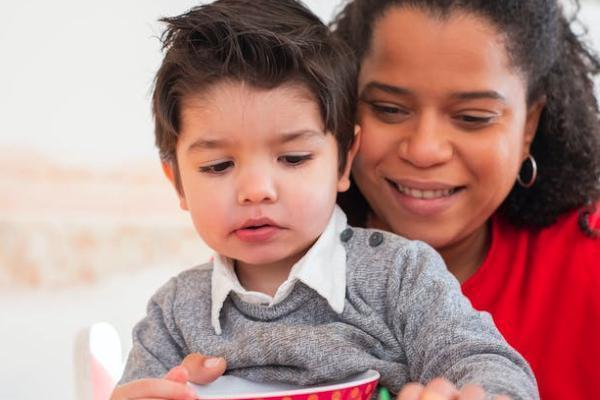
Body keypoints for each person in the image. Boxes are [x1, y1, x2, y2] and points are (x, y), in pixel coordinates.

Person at [110, 1, 539, 399]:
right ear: (178, 182)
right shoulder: (173, 314)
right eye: (218, 166)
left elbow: (491, 365)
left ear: (343, 161)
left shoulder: (399, 278)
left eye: (293, 158)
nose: (257, 189)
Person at [329, 0, 600, 399]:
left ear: (529, 125)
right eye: (388, 109)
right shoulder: (258, 276)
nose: (424, 150)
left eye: (473, 117)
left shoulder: (588, 266)